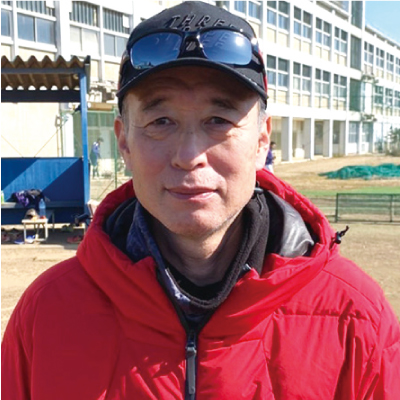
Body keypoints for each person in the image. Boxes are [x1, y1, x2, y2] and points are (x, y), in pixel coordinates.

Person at [2, 2, 399, 399]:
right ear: (124, 142)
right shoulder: (46, 314)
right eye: (161, 122)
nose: (189, 155)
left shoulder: (356, 318)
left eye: (218, 121)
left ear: (262, 140)